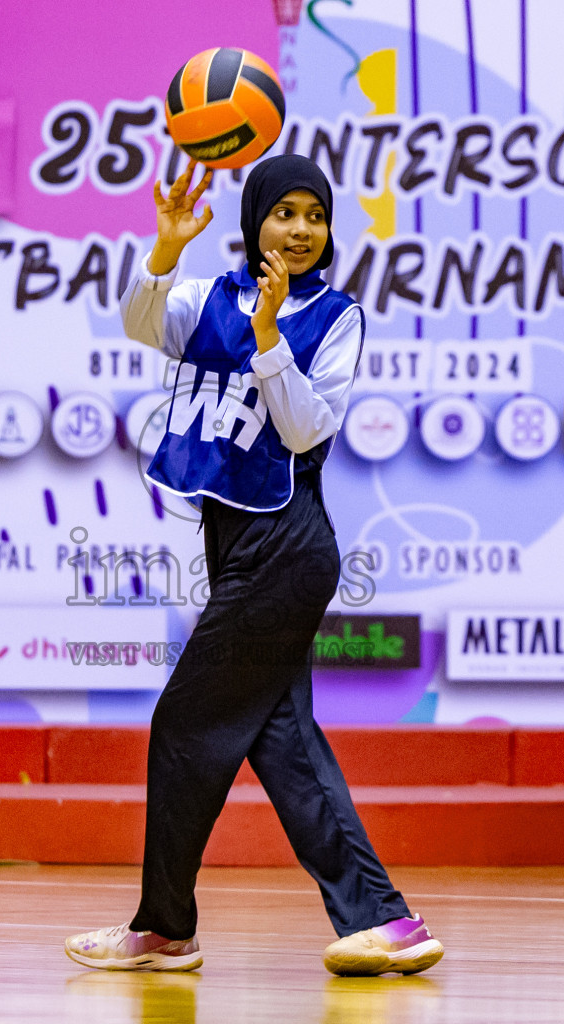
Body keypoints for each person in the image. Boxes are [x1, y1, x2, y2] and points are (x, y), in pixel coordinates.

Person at [64, 156, 443, 977]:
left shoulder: (336, 316)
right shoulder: (205, 299)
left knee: (185, 725)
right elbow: (139, 322)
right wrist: (164, 250)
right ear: (254, 221)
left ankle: (165, 929)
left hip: (288, 546)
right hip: (239, 544)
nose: (300, 230)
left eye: (315, 215)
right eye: (284, 214)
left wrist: (271, 336)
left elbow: (306, 432)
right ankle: (386, 921)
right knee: (282, 740)